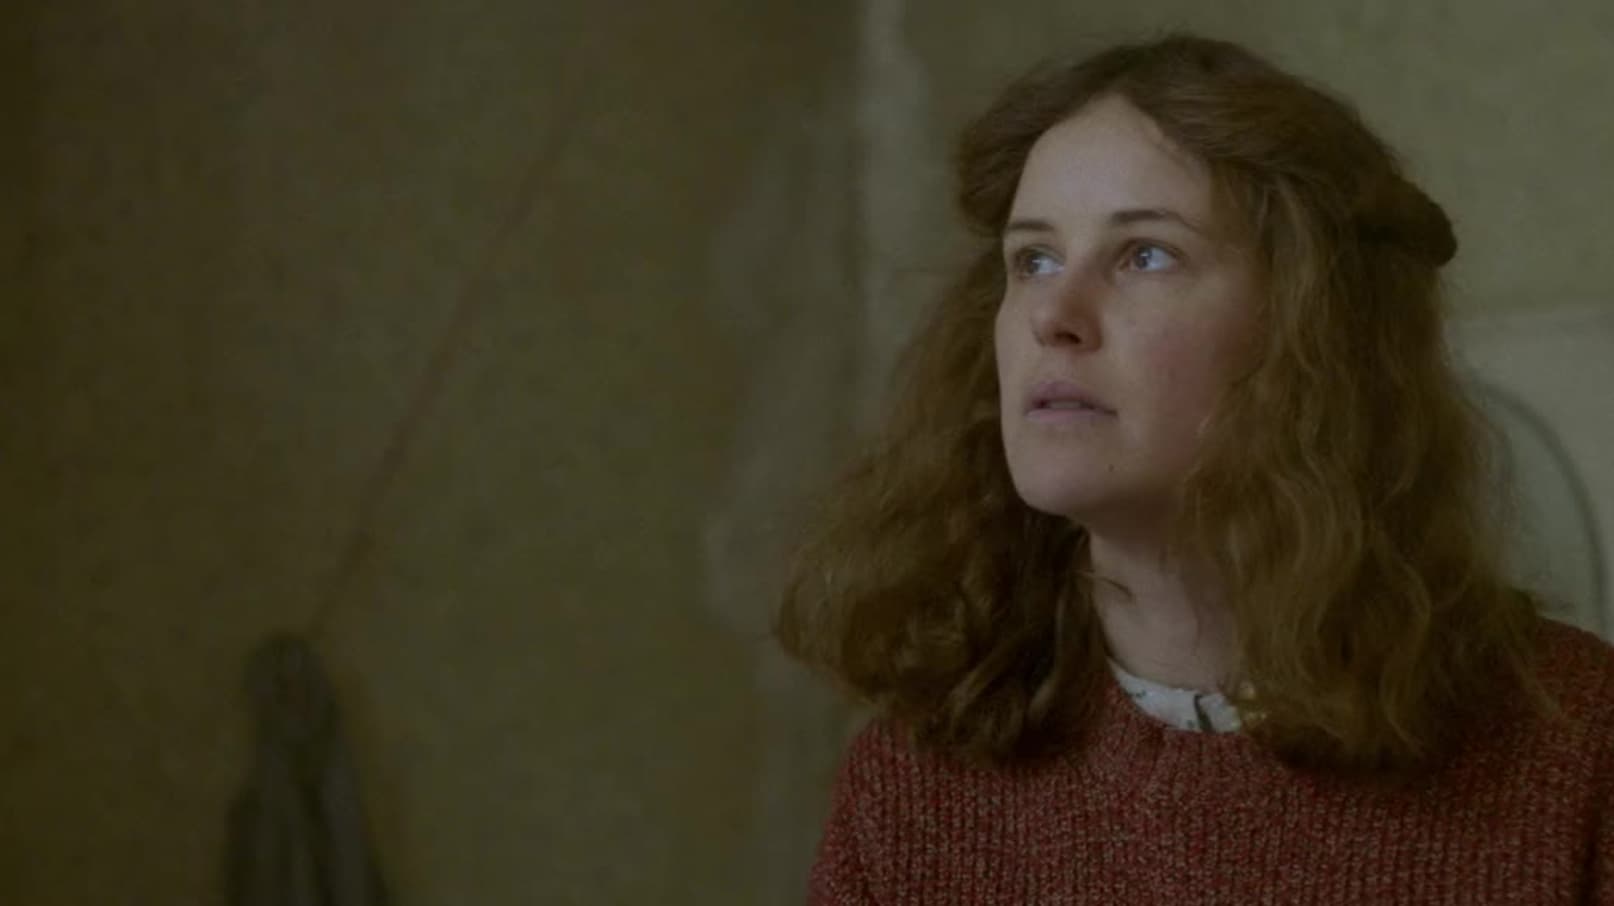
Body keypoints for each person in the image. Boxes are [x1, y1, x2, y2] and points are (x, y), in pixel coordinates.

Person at [775, 32, 1614, 904]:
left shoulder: (1581, 747)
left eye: (1145, 254)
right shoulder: (910, 788)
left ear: (1313, 331)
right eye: (1034, 259)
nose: (1051, 314)